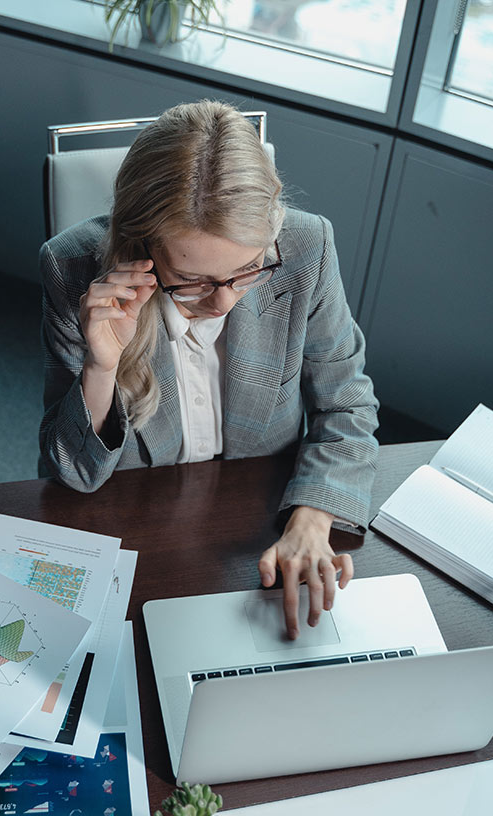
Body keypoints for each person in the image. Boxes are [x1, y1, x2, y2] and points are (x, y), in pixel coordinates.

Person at [39, 101, 378, 639]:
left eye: (245, 272)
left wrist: (313, 518)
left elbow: (347, 405)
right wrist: (101, 367)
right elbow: (75, 474)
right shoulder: (74, 269)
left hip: (262, 516)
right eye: (192, 280)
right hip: (134, 532)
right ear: (140, 246)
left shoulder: (306, 248)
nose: (222, 303)